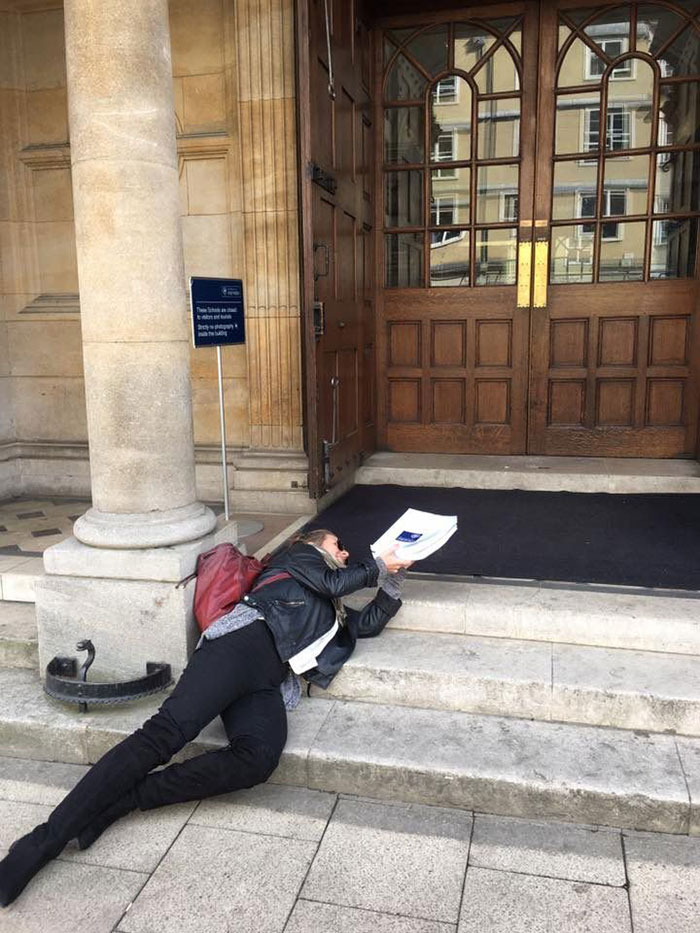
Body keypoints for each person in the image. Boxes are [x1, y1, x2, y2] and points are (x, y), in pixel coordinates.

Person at [0, 528, 411, 907]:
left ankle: (123, 801)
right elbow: (335, 581)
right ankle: (36, 847)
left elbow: (367, 623)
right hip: (238, 646)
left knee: (258, 758)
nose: (344, 552)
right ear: (312, 543)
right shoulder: (300, 558)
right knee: (162, 736)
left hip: (266, 680)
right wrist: (378, 564)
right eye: (338, 544)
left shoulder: (332, 608)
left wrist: (394, 578)